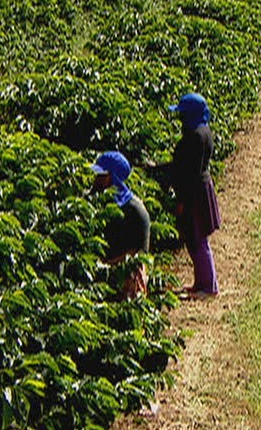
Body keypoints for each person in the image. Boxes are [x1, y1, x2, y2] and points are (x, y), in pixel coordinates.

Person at [163, 91, 221, 297]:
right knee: (196, 238)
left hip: (195, 192)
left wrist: (182, 201)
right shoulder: (203, 131)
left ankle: (208, 286)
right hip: (200, 188)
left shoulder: (195, 137)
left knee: (198, 239)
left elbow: (189, 173)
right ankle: (201, 283)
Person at [91, 150, 150, 298]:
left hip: (126, 275)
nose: (96, 179)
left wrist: (105, 266)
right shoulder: (102, 201)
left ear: (113, 177)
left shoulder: (134, 211)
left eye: (101, 175)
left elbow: (137, 255)